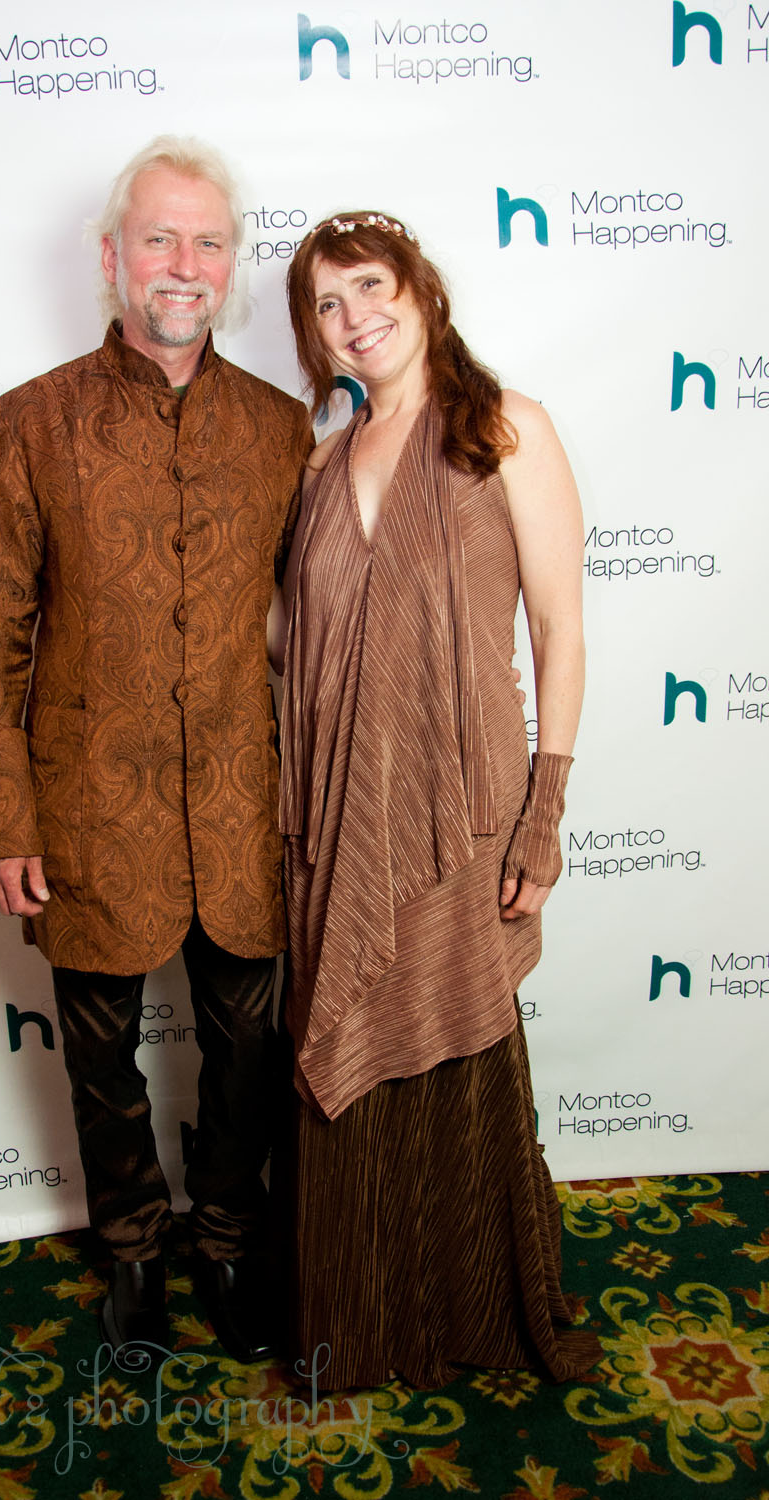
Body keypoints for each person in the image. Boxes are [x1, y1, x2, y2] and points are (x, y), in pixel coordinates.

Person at [0, 137, 312, 1362]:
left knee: (248, 1048)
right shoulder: (25, 424)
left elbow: (316, 625)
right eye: (160, 238)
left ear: (231, 266)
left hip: (242, 803)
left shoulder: (281, 430)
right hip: (87, 808)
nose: (184, 264)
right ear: (112, 258)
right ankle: (131, 1253)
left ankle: (228, 1240)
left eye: (208, 242)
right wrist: (3, 821)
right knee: (102, 1055)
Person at [271, 211, 600, 1389]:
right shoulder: (319, 465)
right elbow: (289, 642)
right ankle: (359, 1323)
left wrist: (544, 814)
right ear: (312, 335)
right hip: (334, 813)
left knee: (457, 1049)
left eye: (370, 286)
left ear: (421, 291)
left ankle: (469, 1316)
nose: (353, 316)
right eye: (326, 303)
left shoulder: (506, 427)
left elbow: (558, 630)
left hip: (462, 810)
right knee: (347, 1051)